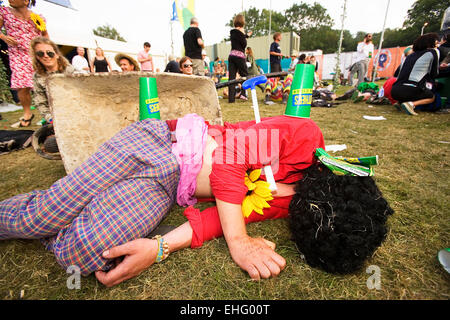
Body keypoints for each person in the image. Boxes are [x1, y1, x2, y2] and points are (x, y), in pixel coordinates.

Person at [0, 112, 393, 287]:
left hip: (168, 189)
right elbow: (228, 156)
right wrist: (240, 244)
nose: (295, 216)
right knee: (37, 218)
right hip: (156, 143)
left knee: (81, 253)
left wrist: (159, 247)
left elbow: (219, 219)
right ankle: (52, 205)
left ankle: (68, 204)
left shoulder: (292, 203)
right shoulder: (304, 136)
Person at [0, 0, 48, 128]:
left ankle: (48, 113)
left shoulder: (37, 17)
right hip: (17, 54)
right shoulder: (4, 13)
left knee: (43, 84)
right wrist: (4, 37)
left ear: (26, 1)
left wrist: (47, 51)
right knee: (22, 85)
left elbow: (45, 34)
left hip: (36, 54)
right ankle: (27, 114)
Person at [391, 33, 441, 115]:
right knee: (431, 96)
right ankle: (411, 104)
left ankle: (400, 103)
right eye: (436, 41)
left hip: (394, 90)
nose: (437, 43)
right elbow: (434, 73)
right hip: (410, 90)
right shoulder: (433, 52)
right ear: (431, 42)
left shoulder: (410, 56)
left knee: (410, 86)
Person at [30, 36, 74, 124]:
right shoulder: (38, 77)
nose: (46, 56)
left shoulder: (71, 71)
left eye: (49, 53)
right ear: (37, 57)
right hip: (56, 118)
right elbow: (41, 103)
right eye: (40, 53)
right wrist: (51, 119)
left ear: (57, 54)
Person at [227, 14, 250, 103]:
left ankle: (231, 99)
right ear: (242, 22)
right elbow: (244, 44)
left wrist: (245, 35)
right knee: (245, 75)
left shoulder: (232, 32)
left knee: (231, 78)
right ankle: (243, 94)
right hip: (239, 56)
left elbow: (239, 39)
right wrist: (244, 34)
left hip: (232, 55)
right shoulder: (241, 32)